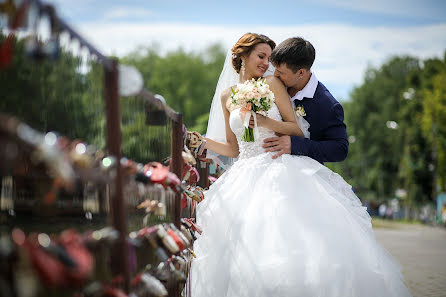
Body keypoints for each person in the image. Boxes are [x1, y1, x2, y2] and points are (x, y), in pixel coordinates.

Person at [189, 33, 411, 297]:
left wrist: (262, 121)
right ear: (242, 57)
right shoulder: (228, 96)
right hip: (244, 172)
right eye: (261, 56)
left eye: (270, 58)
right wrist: (204, 142)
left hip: (277, 167)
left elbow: (295, 128)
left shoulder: (272, 84)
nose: (266, 63)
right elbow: (234, 149)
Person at [262, 37, 348, 163]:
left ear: (301, 73)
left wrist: (296, 145)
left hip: (304, 174)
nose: (275, 74)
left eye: (281, 72)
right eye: (275, 69)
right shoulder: (274, 81)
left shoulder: (327, 105)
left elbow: (340, 149)